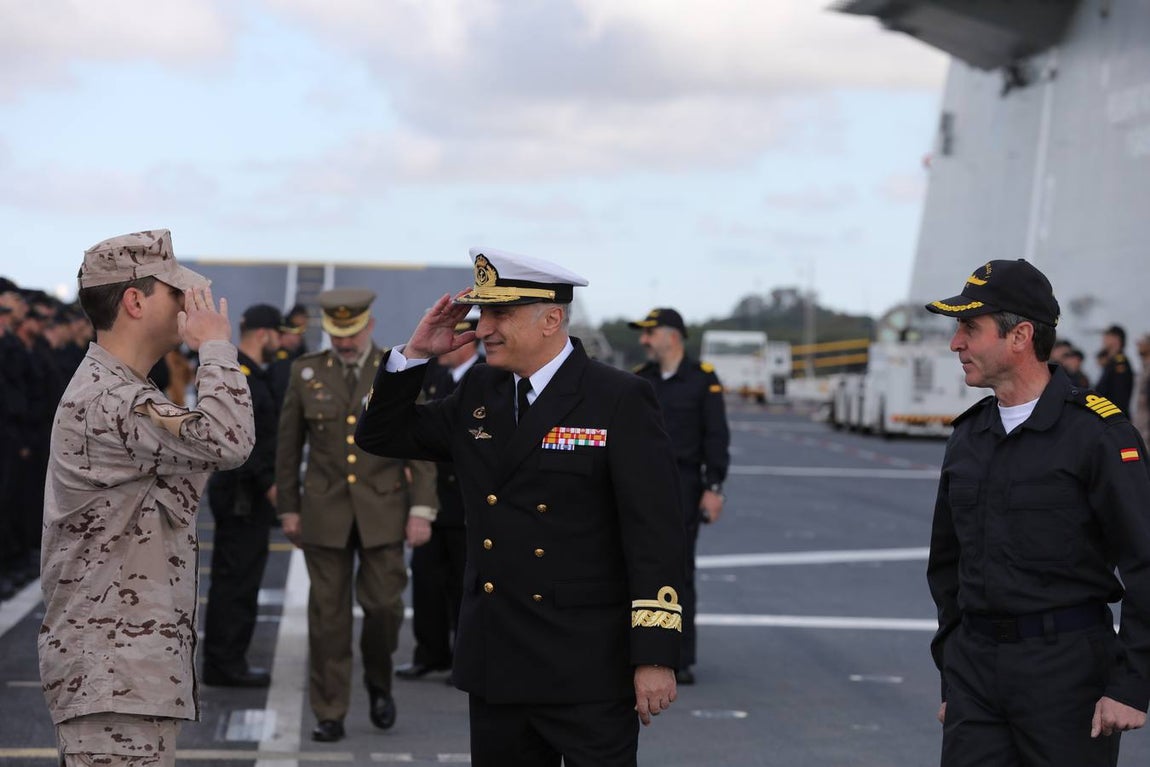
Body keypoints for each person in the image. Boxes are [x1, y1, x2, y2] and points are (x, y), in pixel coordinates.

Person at [355, 247, 686, 767]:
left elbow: (655, 535)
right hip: (499, 660)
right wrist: (415, 355)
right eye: (481, 314)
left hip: (587, 666)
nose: (483, 328)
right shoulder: (480, 390)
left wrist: (655, 656)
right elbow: (382, 435)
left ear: (551, 319)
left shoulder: (618, 397)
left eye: (500, 314)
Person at [38, 229, 254, 766]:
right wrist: (216, 348)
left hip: (124, 671)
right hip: (112, 673)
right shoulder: (112, 400)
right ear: (135, 301)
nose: (190, 306)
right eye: (177, 294)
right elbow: (228, 440)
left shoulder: (127, 391)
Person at [924, 258, 1150, 767]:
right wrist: (952, 675)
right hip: (975, 676)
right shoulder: (968, 437)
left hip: (1067, 675)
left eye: (970, 328)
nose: (956, 343)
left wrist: (1131, 684)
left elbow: (1145, 562)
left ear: (1020, 336)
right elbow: (947, 569)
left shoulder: (1097, 434)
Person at [275, 288, 438, 743]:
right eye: (337, 334)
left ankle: (379, 682)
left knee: (384, 609)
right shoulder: (306, 372)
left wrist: (422, 509)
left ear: (369, 325)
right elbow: (288, 446)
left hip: (384, 509)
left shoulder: (395, 369)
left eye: (351, 333)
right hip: (324, 512)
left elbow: (420, 442)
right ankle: (330, 711)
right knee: (328, 619)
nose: (344, 342)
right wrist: (288, 507)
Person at [628, 307, 729, 686]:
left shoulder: (703, 380)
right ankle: (636, 650)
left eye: (649, 333)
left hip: (682, 486)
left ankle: (679, 657)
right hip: (639, 483)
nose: (644, 340)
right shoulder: (640, 379)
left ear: (672, 336)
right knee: (634, 567)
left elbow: (716, 437)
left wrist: (713, 488)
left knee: (678, 571)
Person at [202, 304, 284, 688]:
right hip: (242, 496)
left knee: (242, 580)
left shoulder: (252, 372)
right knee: (235, 582)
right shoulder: (243, 375)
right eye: (277, 334)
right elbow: (242, 440)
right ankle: (224, 664)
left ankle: (229, 659)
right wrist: (269, 483)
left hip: (247, 496)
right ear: (265, 334)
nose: (280, 342)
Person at [396, 314, 482, 680]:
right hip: (433, 499)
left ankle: (465, 658)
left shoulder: (488, 377)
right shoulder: (432, 375)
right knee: (426, 580)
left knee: (466, 585)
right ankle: (430, 654)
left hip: (468, 501)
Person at [1096, 324, 1134, 412]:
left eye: (1107, 336)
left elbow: (1119, 394)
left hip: (1114, 415)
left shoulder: (1120, 363)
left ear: (1116, 339)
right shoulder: (1111, 362)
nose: (1104, 339)